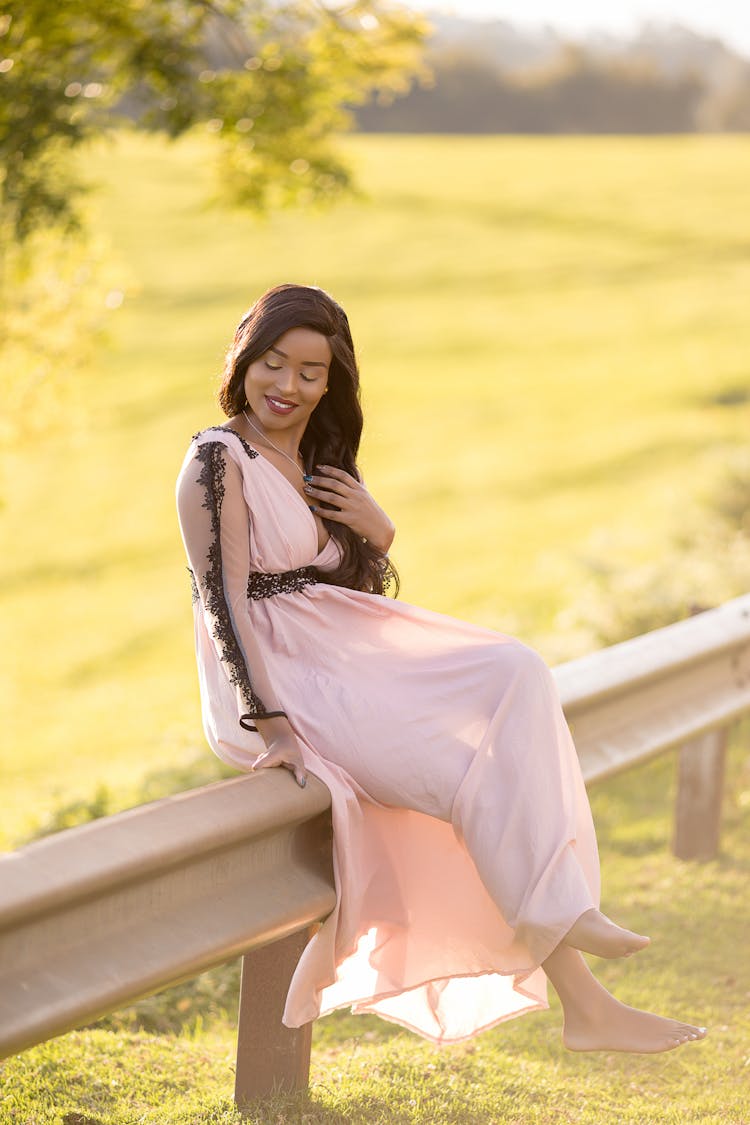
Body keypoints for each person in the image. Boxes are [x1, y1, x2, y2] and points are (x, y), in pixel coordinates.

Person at [176, 282, 706, 1053]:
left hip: (342, 661)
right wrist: (273, 724)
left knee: (518, 670)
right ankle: (566, 935)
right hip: (282, 684)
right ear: (243, 358)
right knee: (466, 765)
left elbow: (340, 587)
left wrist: (378, 532)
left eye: (310, 372)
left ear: (332, 383)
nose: (288, 386)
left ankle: (586, 998)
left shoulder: (317, 461)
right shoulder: (216, 458)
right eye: (273, 363)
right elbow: (222, 599)